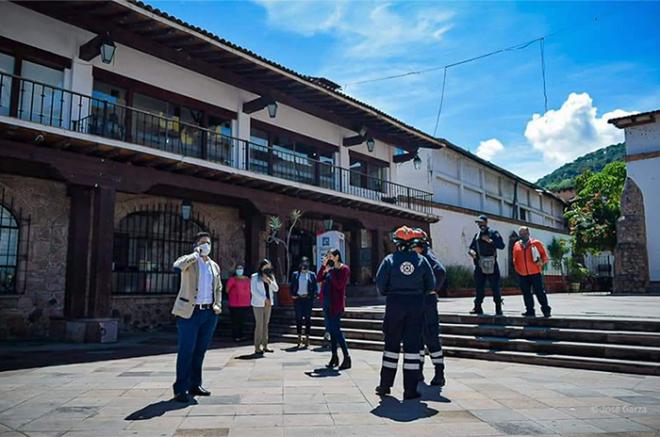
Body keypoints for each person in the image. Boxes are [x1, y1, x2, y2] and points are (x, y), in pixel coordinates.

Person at [375, 226, 435, 400]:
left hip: (394, 305)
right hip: (416, 306)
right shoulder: (421, 260)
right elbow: (430, 285)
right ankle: (410, 389)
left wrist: (391, 292)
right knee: (412, 350)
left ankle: (385, 386)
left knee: (391, 347)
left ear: (397, 243)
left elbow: (380, 285)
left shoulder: (389, 260)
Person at [171, 232, 222, 403]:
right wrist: (195, 254)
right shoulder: (190, 261)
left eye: (208, 242)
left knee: (200, 351)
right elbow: (177, 265)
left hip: (209, 313)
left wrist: (218, 305)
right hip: (189, 313)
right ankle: (180, 388)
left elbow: (218, 287)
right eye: (202, 243)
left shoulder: (214, 266)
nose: (206, 245)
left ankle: (195, 384)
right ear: (196, 245)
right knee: (187, 350)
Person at [412, 228, 447, 387]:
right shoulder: (418, 257)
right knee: (417, 338)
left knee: (431, 337)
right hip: (418, 303)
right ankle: (419, 371)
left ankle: (439, 372)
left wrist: (431, 289)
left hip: (427, 303)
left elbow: (440, 271)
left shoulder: (426, 257)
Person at [317, 248, 351, 370]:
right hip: (326, 302)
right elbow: (319, 278)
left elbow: (339, 285)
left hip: (336, 304)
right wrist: (323, 267)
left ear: (337, 256)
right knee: (331, 331)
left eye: (330, 256)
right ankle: (334, 356)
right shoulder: (328, 269)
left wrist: (330, 272)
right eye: (327, 256)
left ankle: (347, 357)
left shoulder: (344, 269)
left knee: (336, 330)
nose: (329, 258)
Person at [468, 215, 505, 316]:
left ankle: (498, 308)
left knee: (495, 287)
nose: (480, 225)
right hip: (479, 264)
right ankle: (477, 307)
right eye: (479, 223)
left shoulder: (493, 233)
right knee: (479, 287)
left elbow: (502, 245)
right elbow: (471, 247)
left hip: (492, 264)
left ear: (486, 222)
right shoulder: (477, 235)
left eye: (482, 222)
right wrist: (472, 252)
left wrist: (490, 241)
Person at [512, 226, 552, 318]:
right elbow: (514, 258)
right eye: (520, 234)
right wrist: (517, 269)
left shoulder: (536, 243)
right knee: (526, 293)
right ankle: (529, 310)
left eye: (524, 233)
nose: (522, 235)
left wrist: (541, 262)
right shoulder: (517, 245)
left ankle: (546, 310)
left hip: (535, 272)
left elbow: (544, 257)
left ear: (528, 233)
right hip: (522, 274)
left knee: (539, 292)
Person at [251, 259, 279, 355]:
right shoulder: (255, 277)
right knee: (259, 324)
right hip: (258, 304)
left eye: (269, 266)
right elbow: (253, 291)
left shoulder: (271, 276)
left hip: (268, 304)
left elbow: (276, 289)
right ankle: (257, 346)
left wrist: (270, 281)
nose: (268, 268)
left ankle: (265, 345)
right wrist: (264, 299)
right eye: (266, 266)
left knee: (266, 324)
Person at [290, 256, 318, 348]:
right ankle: (299, 337)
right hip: (298, 299)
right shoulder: (295, 274)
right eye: (302, 264)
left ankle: (307, 337)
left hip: (307, 299)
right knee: (298, 318)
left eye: (306, 264)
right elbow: (291, 286)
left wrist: (313, 295)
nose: (304, 266)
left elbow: (315, 287)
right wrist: (292, 294)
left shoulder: (311, 274)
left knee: (307, 319)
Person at [226, 264, 251, 342]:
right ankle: (236, 336)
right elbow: (227, 290)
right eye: (238, 269)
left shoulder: (247, 279)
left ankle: (242, 335)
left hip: (245, 304)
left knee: (243, 321)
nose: (240, 270)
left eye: (241, 269)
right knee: (235, 321)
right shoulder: (232, 279)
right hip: (234, 304)